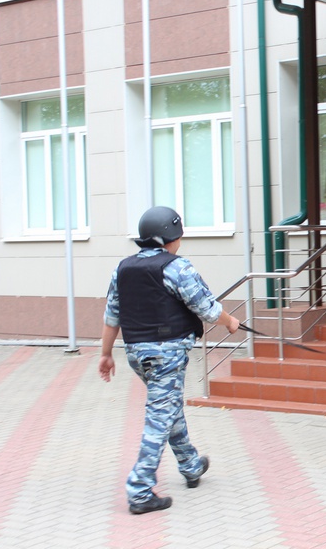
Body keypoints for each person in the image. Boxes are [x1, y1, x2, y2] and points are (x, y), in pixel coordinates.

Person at [99, 206, 240, 515]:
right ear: (172, 237)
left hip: (137, 353)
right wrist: (230, 322)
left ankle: (190, 466)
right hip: (167, 355)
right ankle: (139, 489)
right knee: (159, 417)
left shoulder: (122, 268)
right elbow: (208, 309)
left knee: (168, 406)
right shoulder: (177, 267)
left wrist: (106, 353)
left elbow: (112, 317)